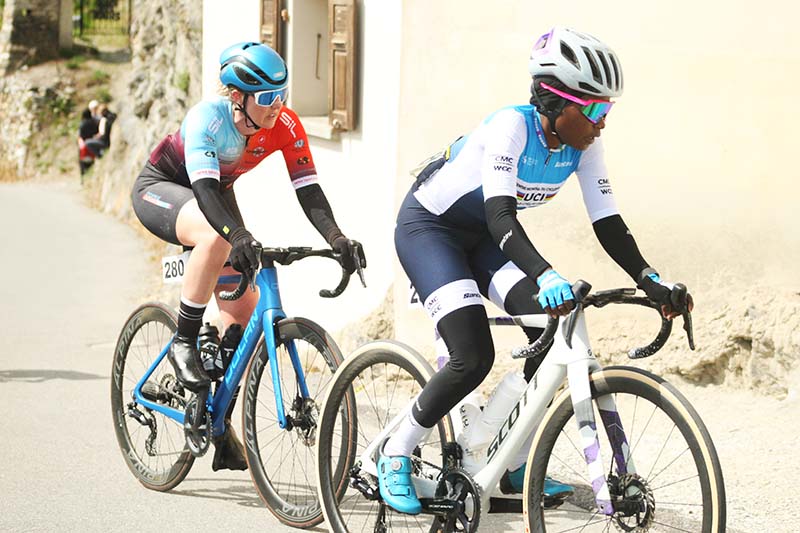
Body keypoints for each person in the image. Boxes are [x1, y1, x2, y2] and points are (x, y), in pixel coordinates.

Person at [382, 26, 693, 514]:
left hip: (485, 241)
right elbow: (500, 215)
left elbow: (608, 222)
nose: (602, 123)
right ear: (556, 103)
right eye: (595, 111)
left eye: (607, 111)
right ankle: (396, 451)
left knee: (554, 331)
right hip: (431, 232)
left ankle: (512, 460)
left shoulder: (584, 146)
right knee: (472, 357)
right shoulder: (510, 127)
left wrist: (650, 279)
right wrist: (546, 274)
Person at [131, 41, 362, 471]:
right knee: (219, 237)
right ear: (238, 97)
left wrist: (337, 237)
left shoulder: (284, 123)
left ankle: (216, 420)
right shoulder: (208, 119)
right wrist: (236, 235)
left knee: (244, 315)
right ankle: (184, 340)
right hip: (164, 188)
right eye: (268, 97)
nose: (278, 106)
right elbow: (204, 192)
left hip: (215, 194)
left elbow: (308, 188)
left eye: (283, 94)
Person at [77, 107, 99, 174]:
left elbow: (80, 135)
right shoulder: (94, 122)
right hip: (94, 142)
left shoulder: (82, 124)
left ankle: (83, 175)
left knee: (82, 162)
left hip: (84, 145)